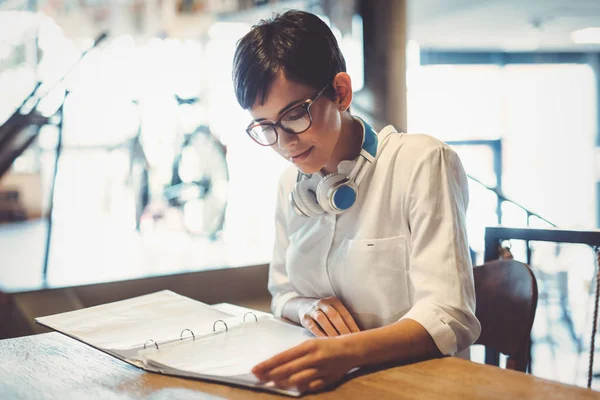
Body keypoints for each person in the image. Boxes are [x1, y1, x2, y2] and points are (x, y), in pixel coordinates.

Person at [232, 9, 481, 393]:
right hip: (334, 385)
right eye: (266, 127)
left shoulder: (421, 162)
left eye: (295, 115)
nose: (284, 142)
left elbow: (450, 315)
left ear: (341, 92)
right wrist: (308, 308)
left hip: (421, 387)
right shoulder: (290, 186)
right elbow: (282, 294)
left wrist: (347, 352)